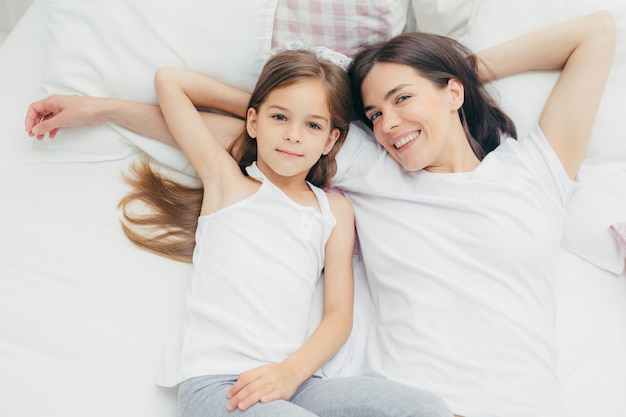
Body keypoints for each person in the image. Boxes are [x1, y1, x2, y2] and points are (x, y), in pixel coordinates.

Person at [25, 11, 616, 417]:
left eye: (402, 100)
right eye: (373, 113)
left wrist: (455, 70)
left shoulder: (534, 170)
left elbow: (596, 31)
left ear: (454, 93)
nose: (388, 126)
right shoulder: (372, 165)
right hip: (399, 399)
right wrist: (101, 109)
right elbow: (253, 131)